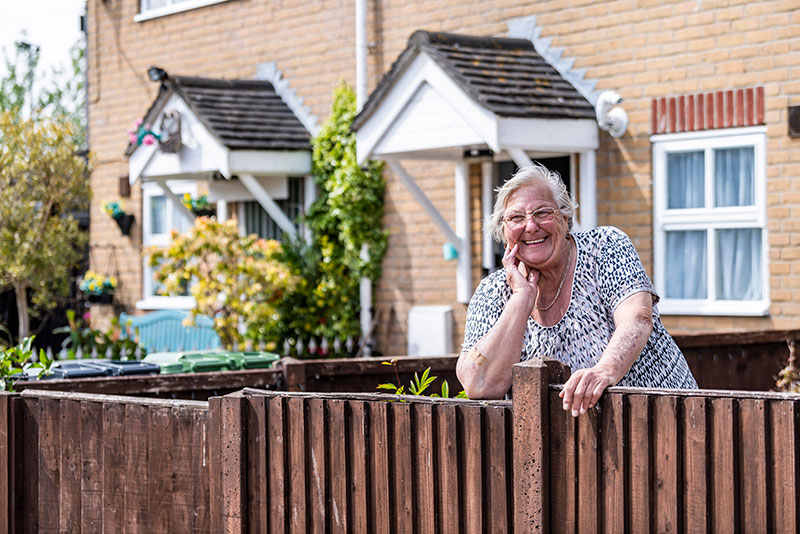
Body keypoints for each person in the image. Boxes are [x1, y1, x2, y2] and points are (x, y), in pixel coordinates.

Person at [456, 163, 697, 414]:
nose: (530, 226)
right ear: (503, 231)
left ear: (566, 217)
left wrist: (605, 370)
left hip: (668, 420)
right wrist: (520, 299)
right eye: (516, 217)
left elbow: (638, 318)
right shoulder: (493, 291)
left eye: (542, 213)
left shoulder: (603, 247)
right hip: (574, 446)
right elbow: (478, 384)